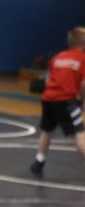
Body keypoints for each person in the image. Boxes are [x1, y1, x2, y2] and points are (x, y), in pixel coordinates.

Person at [30, 27, 85, 175]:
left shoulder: (58, 57)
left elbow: (48, 79)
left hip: (48, 98)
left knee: (48, 130)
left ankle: (39, 161)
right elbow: (83, 84)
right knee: (80, 131)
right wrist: (82, 102)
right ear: (82, 43)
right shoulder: (82, 59)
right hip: (66, 100)